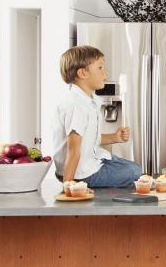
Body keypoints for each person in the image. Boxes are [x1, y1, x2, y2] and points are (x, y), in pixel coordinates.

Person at [52, 45, 142, 188]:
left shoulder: (89, 100)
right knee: (134, 171)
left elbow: (88, 138)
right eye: (100, 68)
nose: (105, 75)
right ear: (82, 73)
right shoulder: (77, 105)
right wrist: (68, 187)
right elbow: (73, 150)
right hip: (79, 174)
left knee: (134, 168)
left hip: (90, 161)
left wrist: (114, 137)